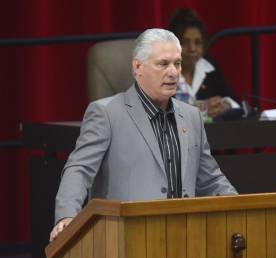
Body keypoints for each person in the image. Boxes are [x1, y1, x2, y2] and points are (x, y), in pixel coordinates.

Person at [49, 28, 237, 242]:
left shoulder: (192, 116)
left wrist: (243, 210)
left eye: (177, 63)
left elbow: (211, 180)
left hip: (184, 239)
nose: (174, 72)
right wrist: (67, 215)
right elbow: (79, 168)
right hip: (125, 240)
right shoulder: (106, 113)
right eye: (163, 64)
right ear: (138, 67)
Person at [169, 8, 239, 118]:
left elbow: (236, 104)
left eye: (198, 43)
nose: (192, 48)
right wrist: (203, 109)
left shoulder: (210, 68)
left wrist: (225, 105)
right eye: (184, 42)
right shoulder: (162, 73)